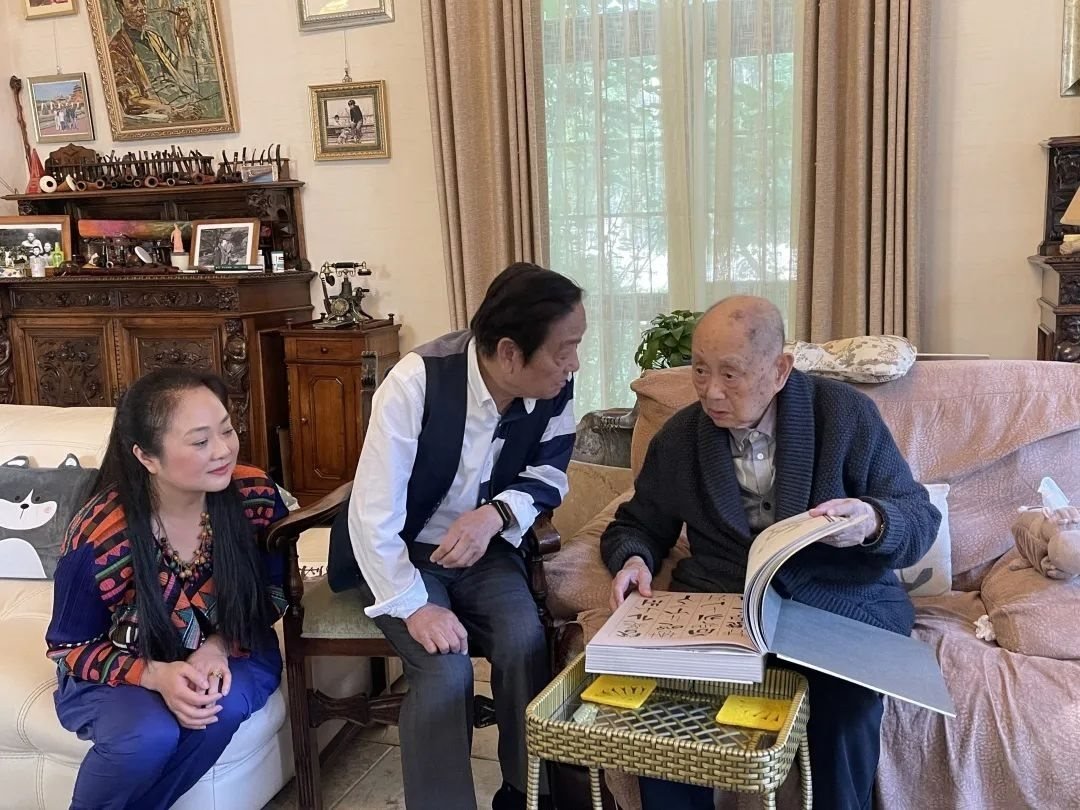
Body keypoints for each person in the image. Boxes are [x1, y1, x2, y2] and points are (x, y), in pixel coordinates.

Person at [601, 296, 940, 810]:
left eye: (730, 374)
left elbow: (918, 517)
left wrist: (872, 521)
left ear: (780, 370)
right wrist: (633, 559)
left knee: (846, 715)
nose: (711, 391)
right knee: (662, 719)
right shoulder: (680, 438)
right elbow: (638, 523)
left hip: (833, 605)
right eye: (699, 370)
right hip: (724, 610)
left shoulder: (843, 414)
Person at [327, 262, 586, 810]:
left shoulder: (553, 385)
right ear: (510, 352)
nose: (575, 364)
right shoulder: (416, 382)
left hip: (484, 550)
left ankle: (526, 795)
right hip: (400, 554)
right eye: (565, 350)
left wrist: (494, 514)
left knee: (524, 640)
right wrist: (415, 607)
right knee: (444, 671)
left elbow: (549, 473)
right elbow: (372, 514)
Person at [46, 368, 290, 810]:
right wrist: (155, 675)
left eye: (227, 430)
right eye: (200, 442)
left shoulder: (254, 496)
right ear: (147, 457)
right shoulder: (100, 536)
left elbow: (276, 593)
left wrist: (217, 646)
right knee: (147, 735)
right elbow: (70, 646)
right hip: (123, 665)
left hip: (235, 649)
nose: (223, 450)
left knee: (220, 705)